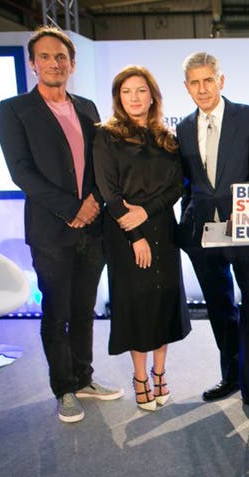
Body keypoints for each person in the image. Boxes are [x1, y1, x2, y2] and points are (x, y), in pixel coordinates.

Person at [0, 26, 123, 423]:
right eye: (46, 57)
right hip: (52, 230)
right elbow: (22, 173)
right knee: (57, 312)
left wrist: (95, 203)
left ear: (72, 63)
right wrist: (72, 208)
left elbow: (103, 164)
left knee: (85, 309)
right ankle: (63, 388)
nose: (54, 63)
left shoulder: (87, 106)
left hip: (93, 228)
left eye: (61, 57)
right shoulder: (14, 109)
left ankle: (84, 377)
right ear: (33, 64)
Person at [176, 52, 249, 418]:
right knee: (220, 310)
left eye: (208, 80)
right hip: (202, 232)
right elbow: (187, 181)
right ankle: (231, 375)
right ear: (186, 88)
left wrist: (248, 208)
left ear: (222, 81)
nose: (202, 89)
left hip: (246, 229)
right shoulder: (184, 126)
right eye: (194, 83)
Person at [93, 65, 191, 411]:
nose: (134, 98)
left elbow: (178, 186)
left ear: (152, 96)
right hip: (125, 236)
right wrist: (135, 233)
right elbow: (109, 192)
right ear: (119, 98)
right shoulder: (106, 136)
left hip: (163, 231)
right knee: (137, 308)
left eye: (140, 90)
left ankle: (160, 373)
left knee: (164, 303)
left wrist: (147, 212)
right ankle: (140, 378)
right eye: (126, 92)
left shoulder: (167, 138)